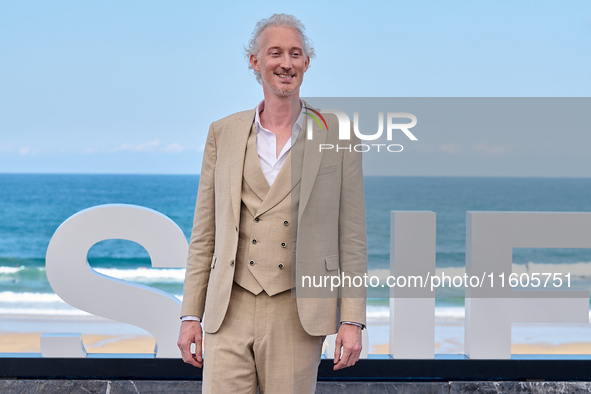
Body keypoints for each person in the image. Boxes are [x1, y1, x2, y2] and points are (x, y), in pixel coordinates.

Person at [177, 13, 367, 393]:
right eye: (275, 53)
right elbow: (204, 233)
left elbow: (353, 237)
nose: (286, 63)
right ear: (255, 62)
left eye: (295, 54)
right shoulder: (223, 132)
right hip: (228, 308)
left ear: (306, 64)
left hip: (297, 311)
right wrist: (189, 314)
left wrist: (353, 320)